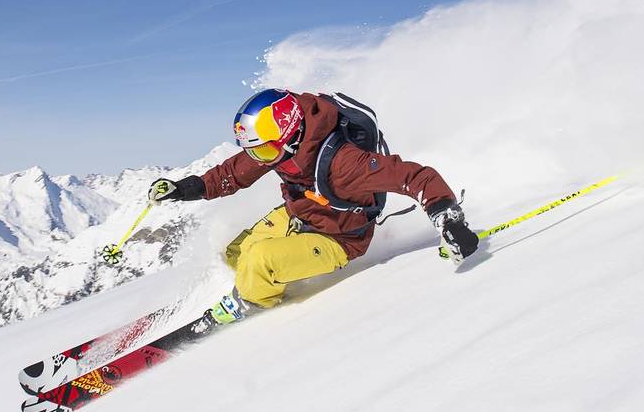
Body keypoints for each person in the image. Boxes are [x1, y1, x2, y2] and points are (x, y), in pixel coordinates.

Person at [149, 88, 478, 330]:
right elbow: (234, 172)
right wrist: (186, 188)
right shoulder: (281, 146)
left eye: (263, 151)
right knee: (236, 253)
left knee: (259, 260)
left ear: (291, 134)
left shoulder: (345, 164)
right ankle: (264, 279)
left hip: (339, 238)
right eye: (255, 151)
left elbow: (413, 176)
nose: (259, 159)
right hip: (300, 215)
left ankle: (250, 301)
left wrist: (447, 218)